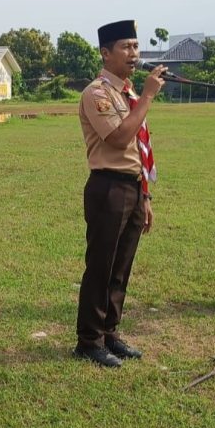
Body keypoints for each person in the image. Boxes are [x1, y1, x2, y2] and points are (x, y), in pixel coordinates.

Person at [74, 20, 167, 368]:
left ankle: (109, 332)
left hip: (132, 186)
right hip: (107, 186)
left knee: (121, 267)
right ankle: (89, 340)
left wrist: (146, 197)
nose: (134, 54)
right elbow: (118, 139)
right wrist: (147, 97)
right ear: (105, 52)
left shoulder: (128, 95)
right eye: (126, 47)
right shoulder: (97, 93)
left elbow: (140, 150)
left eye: (136, 47)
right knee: (101, 266)